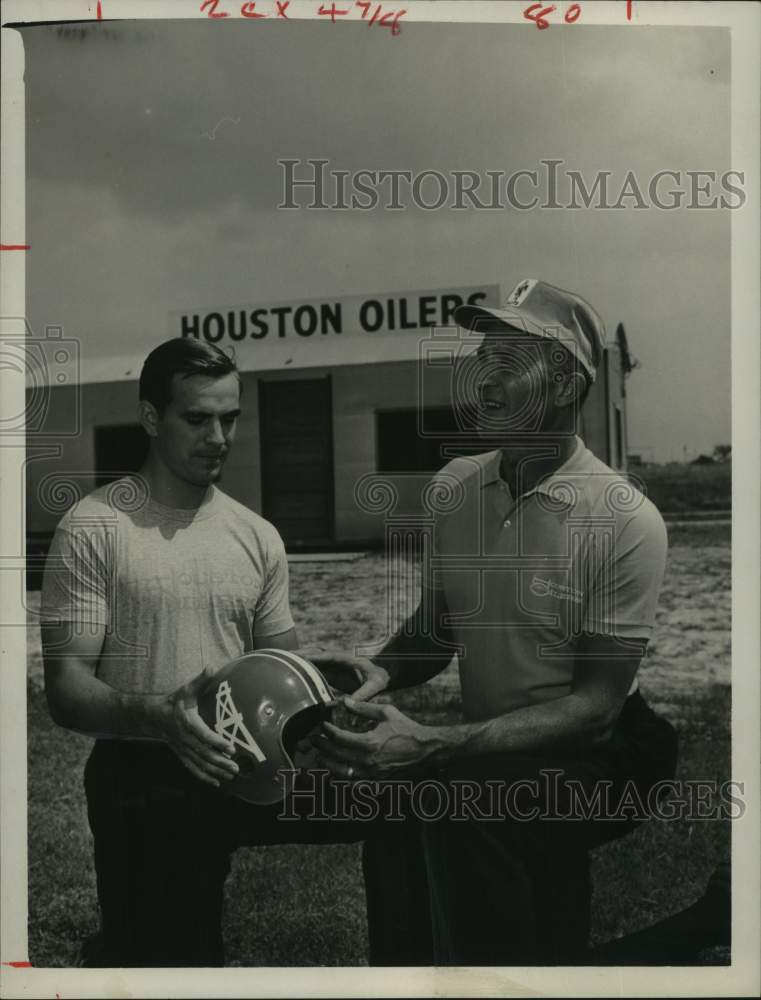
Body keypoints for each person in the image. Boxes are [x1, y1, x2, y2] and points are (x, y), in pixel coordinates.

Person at [313, 279, 679, 965]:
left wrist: (440, 744)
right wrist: (378, 672)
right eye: (481, 361)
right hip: (501, 744)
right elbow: (438, 628)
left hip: (604, 750)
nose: (483, 382)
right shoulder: (455, 487)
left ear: (568, 385)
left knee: (471, 806)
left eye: (509, 363)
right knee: (401, 813)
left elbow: (595, 709)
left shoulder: (623, 517)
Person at [40, 337, 431, 967]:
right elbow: (66, 689)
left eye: (230, 418)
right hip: (148, 770)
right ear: (150, 418)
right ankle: (130, 950)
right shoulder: (94, 528)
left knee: (412, 803)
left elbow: (280, 672)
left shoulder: (256, 535)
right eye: (197, 418)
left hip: (256, 759)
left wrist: (325, 680)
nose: (219, 436)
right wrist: (156, 717)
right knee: (173, 965)